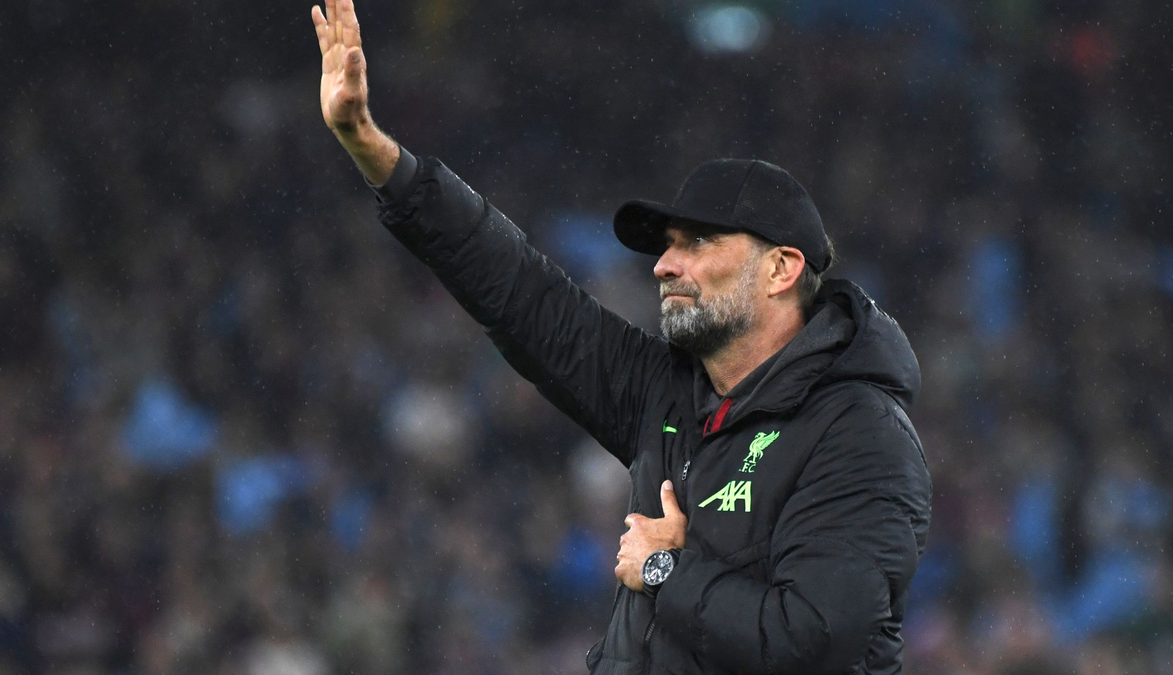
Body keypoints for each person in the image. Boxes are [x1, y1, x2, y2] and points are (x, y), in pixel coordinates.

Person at [310, 0, 932, 672]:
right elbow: (523, 295)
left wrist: (666, 569)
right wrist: (377, 153)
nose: (665, 264)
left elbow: (814, 640)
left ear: (782, 268)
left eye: (697, 242)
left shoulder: (858, 432)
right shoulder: (665, 395)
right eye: (666, 246)